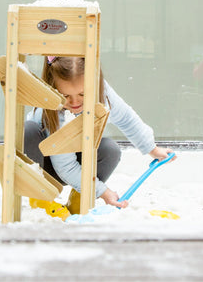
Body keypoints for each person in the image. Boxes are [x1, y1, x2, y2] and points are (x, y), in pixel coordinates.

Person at [23, 56, 175, 210]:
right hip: (47, 166)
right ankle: (41, 199)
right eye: (66, 96)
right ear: (54, 91)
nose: (75, 103)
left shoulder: (103, 94)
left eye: (82, 95)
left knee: (110, 149)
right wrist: (103, 192)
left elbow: (126, 118)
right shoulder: (54, 109)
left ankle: (80, 197)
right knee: (27, 132)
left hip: (77, 158)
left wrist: (152, 149)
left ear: (94, 84)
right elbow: (65, 166)